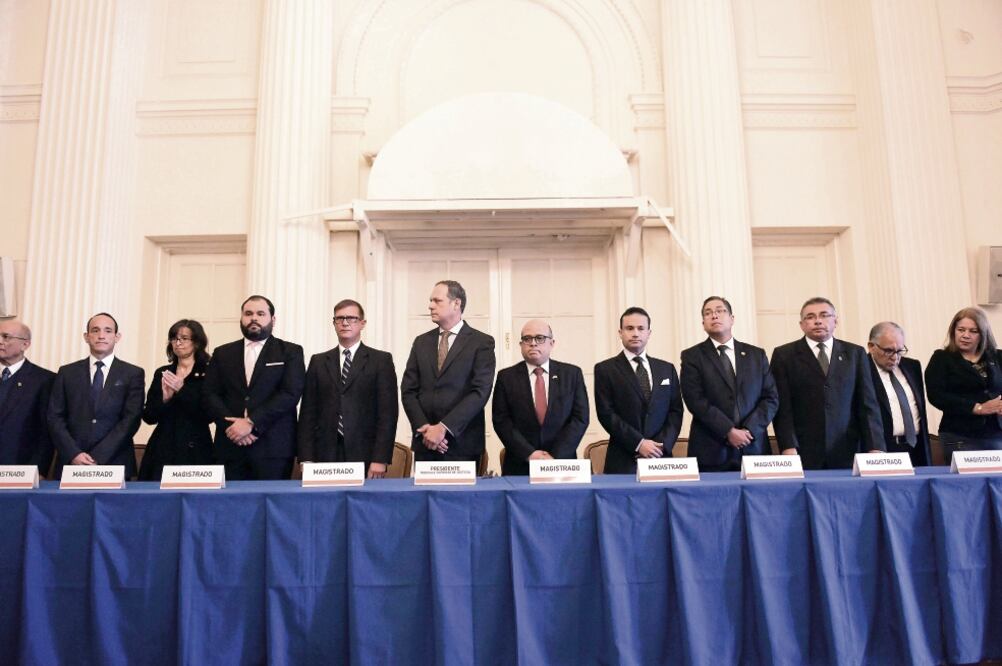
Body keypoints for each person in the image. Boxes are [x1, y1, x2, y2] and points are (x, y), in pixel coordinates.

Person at [770, 297, 884, 469]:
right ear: (801, 324)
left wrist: (875, 446)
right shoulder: (784, 355)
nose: (817, 321)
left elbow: (868, 403)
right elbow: (783, 407)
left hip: (849, 448)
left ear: (835, 321)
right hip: (804, 450)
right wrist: (787, 445)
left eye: (824, 315)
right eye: (810, 317)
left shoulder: (855, 354)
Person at [203, 295, 305, 480]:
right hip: (230, 445)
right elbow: (210, 394)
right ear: (241, 318)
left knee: (271, 506)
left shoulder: (291, 351)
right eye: (248, 313)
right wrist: (233, 427)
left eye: (260, 313)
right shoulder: (222, 353)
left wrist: (251, 423)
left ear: (272, 319)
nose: (254, 318)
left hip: (273, 448)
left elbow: (290, 394)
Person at [298, 299, 398, 478]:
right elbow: (307, 413)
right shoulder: (318, 362)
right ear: (334, 323)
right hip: (324, 453)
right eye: (339, 318)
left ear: (362, 323)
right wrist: (306, 458)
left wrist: (380, 459)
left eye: (351, 318)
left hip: (365, 452)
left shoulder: (381, 361)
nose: (345, 323)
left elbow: (388, 414)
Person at [401, 280, 496, 462]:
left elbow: (480, 392)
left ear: (456, 303)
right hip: (425, 443)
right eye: (430, 301)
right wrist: (425, 428)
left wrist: (443, 428)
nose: (430, 306)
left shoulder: (481, 343)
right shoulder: (421, 342)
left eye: (437, 301)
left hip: (462, 444)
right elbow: (408, 390)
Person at [680, 297, 778, 472]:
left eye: (720, 311)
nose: (714, 316)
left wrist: (749, 430)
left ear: (732, 319)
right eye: (708, 313)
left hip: (754, 449)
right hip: (711, 450)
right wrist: (728, 431)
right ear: (703, 323)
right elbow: (695, 400)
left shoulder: (756, 355)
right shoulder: (692, 356)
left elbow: (770, 398)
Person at [48, 313, 145, 476]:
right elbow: (54, 416)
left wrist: (97, 456)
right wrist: (73, 453)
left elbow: (131, 419)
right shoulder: (67, 372)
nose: (101, 336)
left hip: (115, 463)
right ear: (86, 337)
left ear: (117, 337)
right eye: (95, 330)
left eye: (108, 331)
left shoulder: (132, 373)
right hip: (71, 464)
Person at [492, 319, 589, 475]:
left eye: (540, 338)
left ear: (552, 343)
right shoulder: (506, 377)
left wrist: (555, 456)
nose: (533, 343)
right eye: (527, 339)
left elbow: (580, 418)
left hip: (562, 465)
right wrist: (529, 454)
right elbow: (501, 421)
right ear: (521, 345)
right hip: (520, 465)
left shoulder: (572, 374)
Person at [594, 307, 683, 474]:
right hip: (623, 459)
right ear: (620, 333)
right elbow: (606, 413)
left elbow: (675, 411)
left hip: (661, 458)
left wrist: (660, 446)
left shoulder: (666, 369)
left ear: (649, 333)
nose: (635, 333)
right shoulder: (605, 369)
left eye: (641, 328)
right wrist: (639, 443)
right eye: (629, 328)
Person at [138, 319, 214, 481]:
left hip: (196, 446)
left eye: (184, 338)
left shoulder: (209, 371)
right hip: (163, 445)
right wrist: (165, 399)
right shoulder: (163, 372)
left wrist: (182, 390)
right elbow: (149, 417)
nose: (178, 343)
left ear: (197, 343)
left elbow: (209, 414)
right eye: (174, 338)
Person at [925, 306, 1002, 458]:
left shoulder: (997, 357)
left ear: (983, 334)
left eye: (973, 331)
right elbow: (936, 395)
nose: (966, 335)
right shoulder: (941, 358)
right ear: (953, 331)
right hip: (959, 434)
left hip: (996, 433)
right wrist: (977, 408)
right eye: (961, 330)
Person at [866, 321, 932, 467]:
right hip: (881, 451)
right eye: (888, 351)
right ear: (871, 347)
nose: (895, 357)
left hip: (916, 448)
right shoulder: (860, 370)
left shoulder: (912, 367)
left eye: (900, 351)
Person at [0, 320, 56, 475]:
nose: (0, 341)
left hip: (19, 471)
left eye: (6, 337)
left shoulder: (44, 380)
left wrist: (38, 470)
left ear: (25, 344)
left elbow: (46, 432)